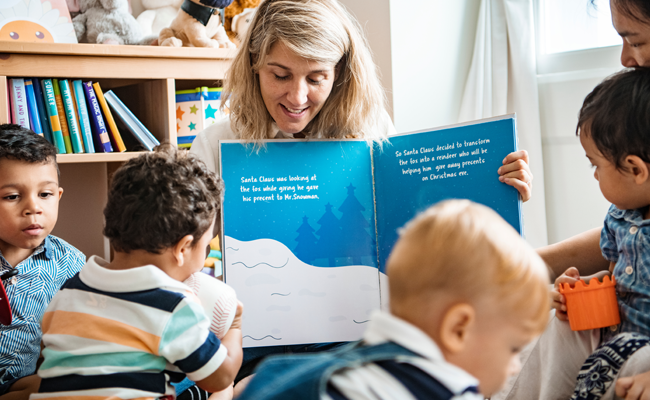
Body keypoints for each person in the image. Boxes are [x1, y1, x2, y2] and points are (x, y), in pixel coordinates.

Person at [189, 0, 535, 382]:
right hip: (260, 342)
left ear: (340, 74)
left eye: (317, 78)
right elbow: (182, 254)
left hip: (361, 335)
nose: (298, 97)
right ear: (254, 63)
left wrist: (496, 187)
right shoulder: (217, 143)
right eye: (281, 75)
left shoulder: (370, 129)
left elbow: (422, 219)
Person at [232, 199, 550, 400]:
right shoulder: (448, 390)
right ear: (458, 328)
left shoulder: (304, 372)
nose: (513, 368)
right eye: (512, 349)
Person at [29, 146, 243, 400]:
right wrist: (234, 328)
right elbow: (220, 376)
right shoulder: (174, 306)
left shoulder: (67, 291)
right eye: (206, 244)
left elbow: (49, 357)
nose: (205, 253)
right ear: (183, 248)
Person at [496, 68, 650, 400]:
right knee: (563, 325)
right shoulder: (620, 216)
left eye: (596, 165)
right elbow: (613, 281)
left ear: (636, 169)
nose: (594, 175)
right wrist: (582, 291)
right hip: (613, 334)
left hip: (645, 350)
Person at [0, 124, 85, 400]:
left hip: (22, 384)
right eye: (12, 196)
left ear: (58, 196)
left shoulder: (69, 263)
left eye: (45, 195)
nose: (33, 208)